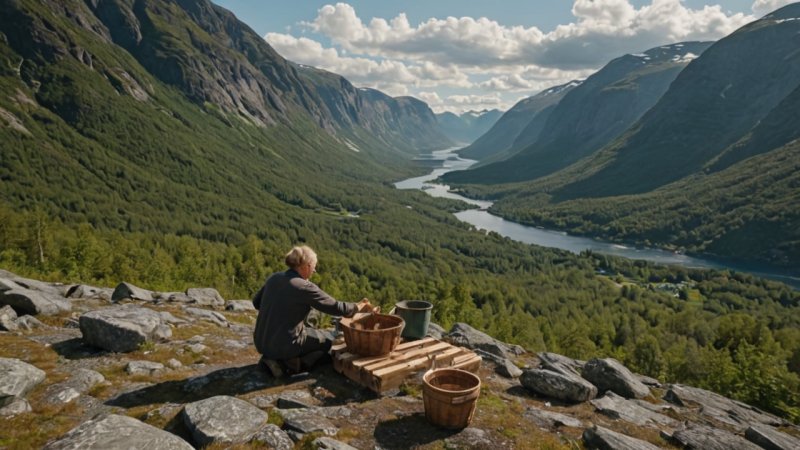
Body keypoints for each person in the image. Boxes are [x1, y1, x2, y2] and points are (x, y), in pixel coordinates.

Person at [252, 245, 374, 376]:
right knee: (329, 343)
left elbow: (256, 303)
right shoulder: (304, 287)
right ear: (307, 266)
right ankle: (288, 365)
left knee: (313, 334)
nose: (314, 271)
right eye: (314, 267)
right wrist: (356, 307)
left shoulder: (274, 278)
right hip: (285, 345)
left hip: (261, 342)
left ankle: (275, 357)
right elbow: (335, 307)